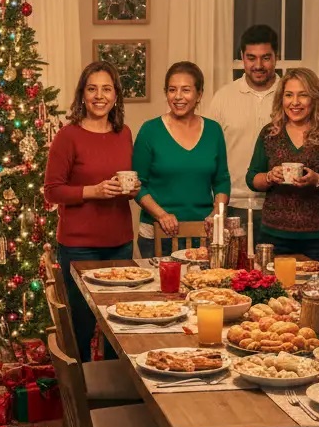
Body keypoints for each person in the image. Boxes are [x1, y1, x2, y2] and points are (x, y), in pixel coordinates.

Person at [44, 61, 138, 362]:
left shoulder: (124, 133)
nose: (100, 96)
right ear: (82, 95)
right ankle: (85, 392)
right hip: (79, 246)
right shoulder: (68, 135)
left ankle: (115, 386)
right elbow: (52, 191)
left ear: (116, 95)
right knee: (83, 325)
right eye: (92, 89)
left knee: (119, 321)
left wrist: (131, 190)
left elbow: (127, 177)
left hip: (120, 241)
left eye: (106, 89)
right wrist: (92, 191)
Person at [245, 68, 319, 267]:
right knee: (274, 292)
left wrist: (318, 180)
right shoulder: (270, 133)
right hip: (274, 236)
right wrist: (270, 177)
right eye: (289, 95)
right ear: (281, 99)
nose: (295, 102)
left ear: (314, 98)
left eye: (302, 95)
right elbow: (252, 178)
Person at [133, 61, 231, 258]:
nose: (178, 97)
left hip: (203, 234)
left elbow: (221, 180)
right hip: (158, 234)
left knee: (205, 288)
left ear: (199, 94)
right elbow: (137, 184)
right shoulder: (150, 131)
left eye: (186, 90)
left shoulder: (213, 130)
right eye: (172, 90)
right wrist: (162, 215)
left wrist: (217, 214)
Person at [206, 24, 281, 228]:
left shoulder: (289, 96)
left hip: (279, 204)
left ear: (276, 57)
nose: (258, 65)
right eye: (251, 58)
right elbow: (209, 152)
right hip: (233, 203)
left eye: (266, 57)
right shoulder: (223, 97)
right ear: (242, 57)